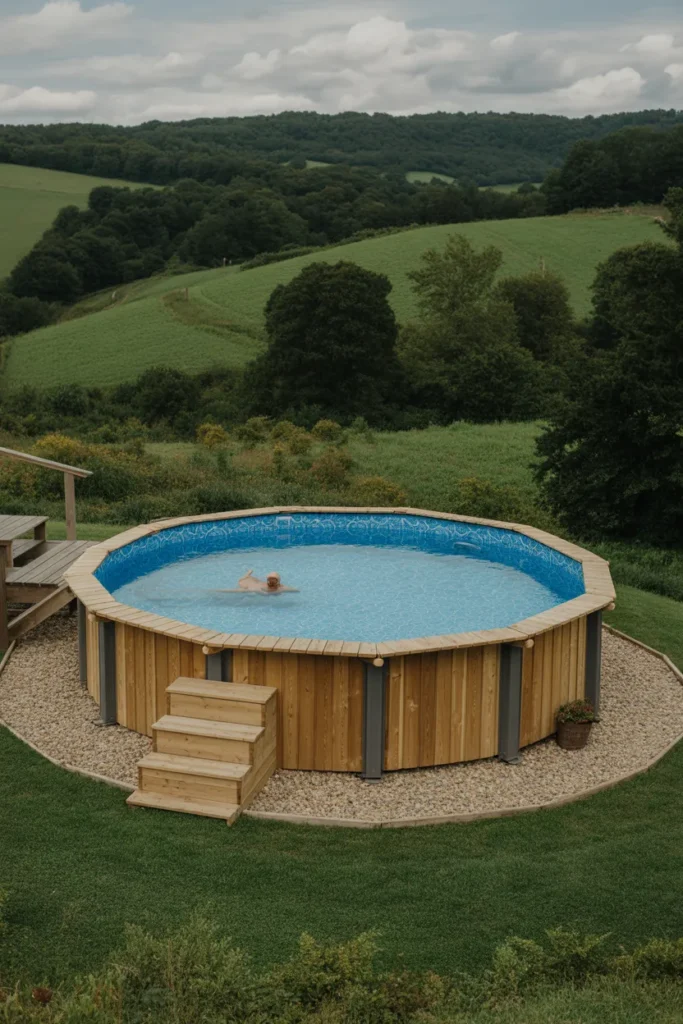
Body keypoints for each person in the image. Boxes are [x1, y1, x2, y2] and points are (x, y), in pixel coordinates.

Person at [221, 570, 298, 595]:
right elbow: (240, 590)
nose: (271, 582)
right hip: (249, 584)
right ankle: (248, 573)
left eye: (273, 580)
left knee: (254, 580)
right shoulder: (262, 587)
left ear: (278, 582)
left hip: (256, 583)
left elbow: (295, 590)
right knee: (243, 579)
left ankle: (249, 573)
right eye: (270, 580)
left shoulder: (281, 588)